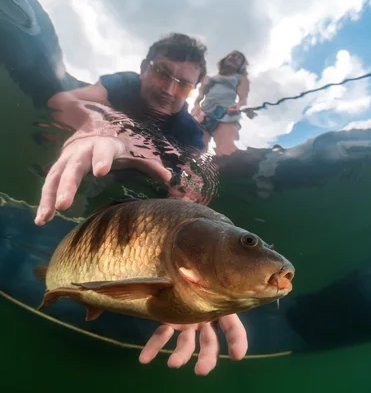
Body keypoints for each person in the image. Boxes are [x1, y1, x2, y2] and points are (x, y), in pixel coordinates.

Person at [33, 33, 248, 376]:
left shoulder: (189, 131)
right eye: (163, 74)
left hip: (140, 197)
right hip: (96, 160)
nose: (169, 89)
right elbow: (63, 101)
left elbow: (190, 190)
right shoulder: (121, 85)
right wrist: (99, 127)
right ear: (144, 68)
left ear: (193, 90)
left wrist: (202, 289)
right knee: (69, 189)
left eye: (183, 86)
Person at [191, 50, 250, 156]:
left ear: (241, 66)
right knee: (195, 147)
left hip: (227, 115)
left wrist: (237, 106)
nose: (234, 57)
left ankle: (228, 169)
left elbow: (243, 99)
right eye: (232, 55)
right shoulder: (209, 78)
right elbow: (200, 97)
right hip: (205, 115)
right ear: (225, 59)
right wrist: (196, 108)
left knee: (226, 149)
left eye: (239, 58)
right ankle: (188, 170)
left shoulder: (240, 78)